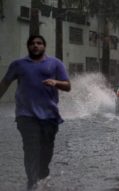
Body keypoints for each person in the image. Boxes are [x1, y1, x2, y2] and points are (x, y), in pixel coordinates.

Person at [0, 35, 71, 190]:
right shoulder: (18, 65)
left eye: (39, 43)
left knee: (46, 152)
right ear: (28, 47)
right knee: (31, 148)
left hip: (50, 116)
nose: (35, 46)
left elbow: (67, 86)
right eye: (32, 44)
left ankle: (42, 176)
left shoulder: (55, 63)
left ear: (44, 46)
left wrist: (55, 82)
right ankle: (31, 183)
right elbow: (5, 83)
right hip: (26, 115)